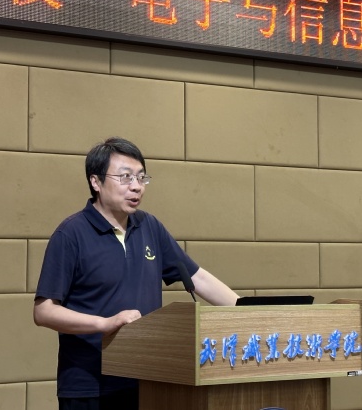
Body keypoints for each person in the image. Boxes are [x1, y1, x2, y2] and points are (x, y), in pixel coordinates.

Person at [33, 137, 239, 410]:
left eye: (141, 178)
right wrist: (104, 324)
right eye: (125, 177)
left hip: (146, 379)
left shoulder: (149, 226)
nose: (136, 186)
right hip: (91, 385)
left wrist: (248, 312)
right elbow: (44, 311)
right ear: (96, 182)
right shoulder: (71, 234)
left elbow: (197, 278)